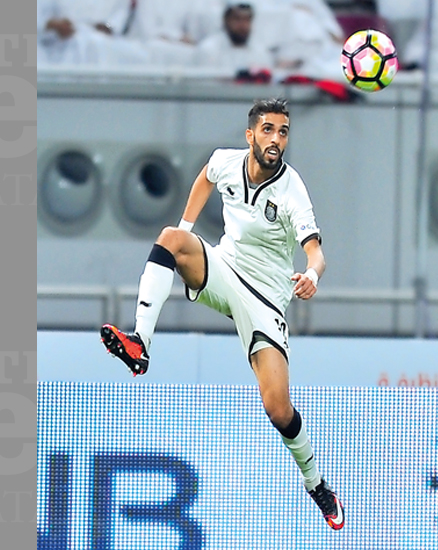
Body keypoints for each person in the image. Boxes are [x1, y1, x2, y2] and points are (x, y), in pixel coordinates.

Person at [100, 98, 345, 530]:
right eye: (268, 129)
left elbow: (316, 252)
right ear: (250, 135)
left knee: (278, 409)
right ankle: (139, 343)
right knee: (171, 239)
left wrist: (312, 274)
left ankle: (316, 483)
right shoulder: (226, 162)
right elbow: (206, 177)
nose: (276, 139)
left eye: (283, 131)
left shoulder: (292, 190)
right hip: (225, 270)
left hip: (267, 298)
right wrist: (188, 228)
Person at [197, 2, 274, 75]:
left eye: (247, 20)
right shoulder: (208, 49)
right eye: (237, 19)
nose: (243, 25)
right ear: (226, 21)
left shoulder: (261, 52)